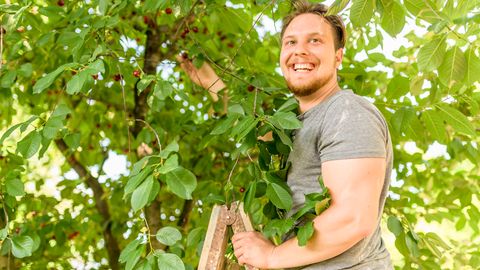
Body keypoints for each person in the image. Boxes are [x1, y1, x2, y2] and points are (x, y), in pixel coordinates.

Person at [178, 1, 393, 269]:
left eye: (314, 41)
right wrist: (214, 86)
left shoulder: (347, 113)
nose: (299, 50)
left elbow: (353, 217)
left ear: (338, 56)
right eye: (290, 43)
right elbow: (257, 133)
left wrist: (272, 256)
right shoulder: (294, 123)